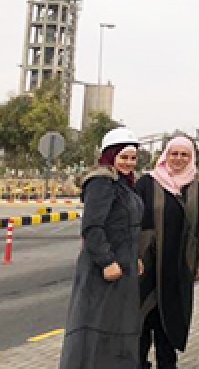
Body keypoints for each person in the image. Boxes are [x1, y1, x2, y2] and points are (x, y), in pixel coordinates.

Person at [59, 127, 144, 369]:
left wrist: (135, 256)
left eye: (133, 158)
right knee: (97, 330)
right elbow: (92, 227)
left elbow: (126, 226)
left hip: (124, 267)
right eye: (123, 157)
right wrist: (107, 261)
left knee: (119, 328)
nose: (129, 163)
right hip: (103, 271)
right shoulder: (102, 182)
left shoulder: (124, 184)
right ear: (110, 155)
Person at [136, 135, 199, 369]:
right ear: (165, 156)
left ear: (191, 158)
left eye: (184, 155)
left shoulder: (197, 189)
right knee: (142, 320)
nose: (178, 159)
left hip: (178, 268)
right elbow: (133, 222)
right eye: (174, 154)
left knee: (170, 322)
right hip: (147, 267)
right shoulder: (147, 184)